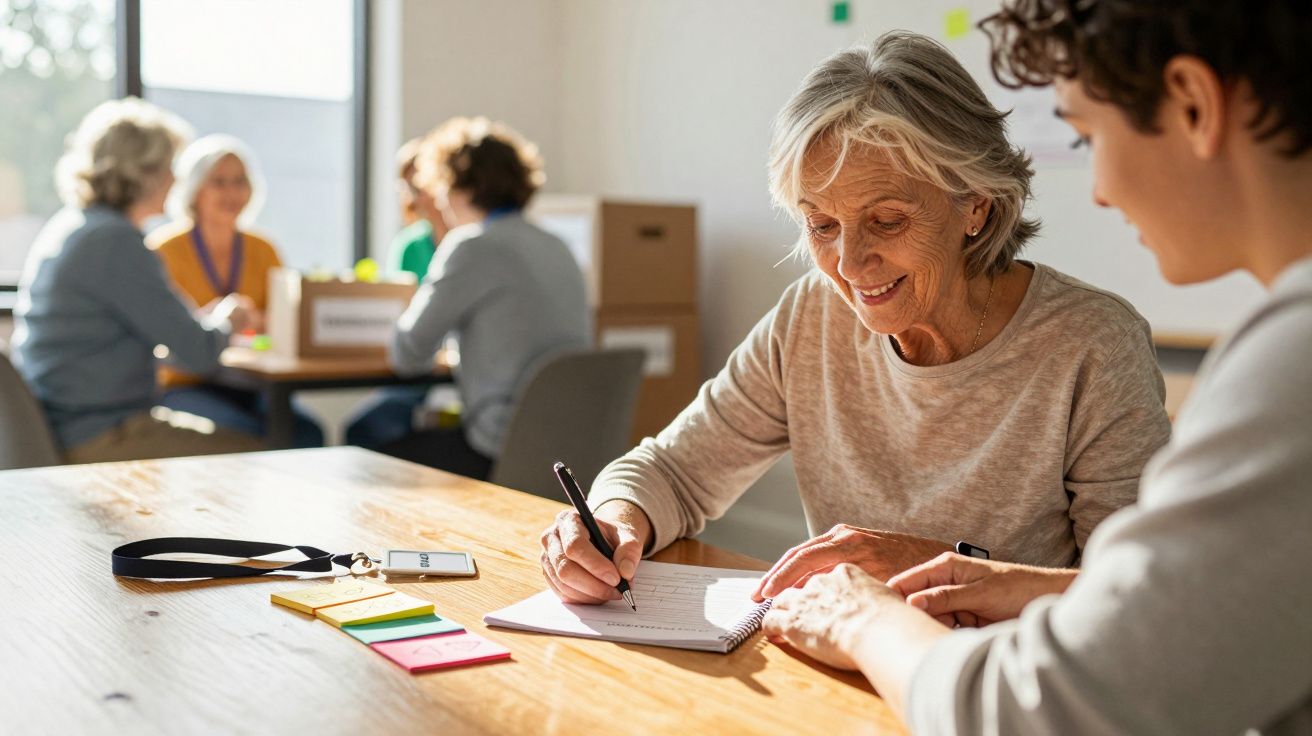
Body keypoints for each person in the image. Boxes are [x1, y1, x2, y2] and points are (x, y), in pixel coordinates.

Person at [761, 4, 1312, 733]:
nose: (1100, 191)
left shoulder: (1291, 357)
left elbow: (1052, 708)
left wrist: (864, 617)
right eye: (822, 224)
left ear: (1192, 103)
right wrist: (1012, 585)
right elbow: (1189, 619)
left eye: (1089, 135)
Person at [538, 32, 1171, 608]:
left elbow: (1142, 600)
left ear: (975, 205)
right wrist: (611, 520)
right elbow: (673, 470)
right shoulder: (811, 315)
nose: (849, 263)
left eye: (888, 220)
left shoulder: (1093, 345)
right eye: (821, 225)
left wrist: (932, 568)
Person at [10, 99, 263, 463]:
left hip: (64, 424)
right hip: (102, 433)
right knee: (266, 455)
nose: (175, 180)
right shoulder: (116, 243)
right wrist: (229, 316)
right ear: (143, 173)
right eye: (168, 168)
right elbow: (200, 352)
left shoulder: (76, 227)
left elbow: (151, 339)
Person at [350, 116, 590, 479]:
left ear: (459, 188)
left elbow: (408, 356)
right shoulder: (558, 246)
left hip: (498, 446)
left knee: (361, 446)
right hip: (570, 446)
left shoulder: (471, 246)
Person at [147, 135, 324, 448]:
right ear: (194, 189)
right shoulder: (163, 250)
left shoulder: (264, 249)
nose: (231, 193)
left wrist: (256, 320)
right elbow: (161, 332)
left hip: (251, 382)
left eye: (240, 181)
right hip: (186, 383)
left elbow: (285, 322)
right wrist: (215, 320)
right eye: (219, 182)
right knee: (247, 433)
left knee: (307, 432)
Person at [342, 134, 454, 450]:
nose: (419, 197)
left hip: (460, 376)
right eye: (411, 188)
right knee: (368, 427)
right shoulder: (409, 246)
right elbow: (402, 325)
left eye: (423, 185)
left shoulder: (470, 245)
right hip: (419, 372)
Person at [388, 134, 451, 282]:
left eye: (419, 187)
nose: (415, 199)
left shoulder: (472, 240)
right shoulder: (410, 246)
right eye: (411, 189)